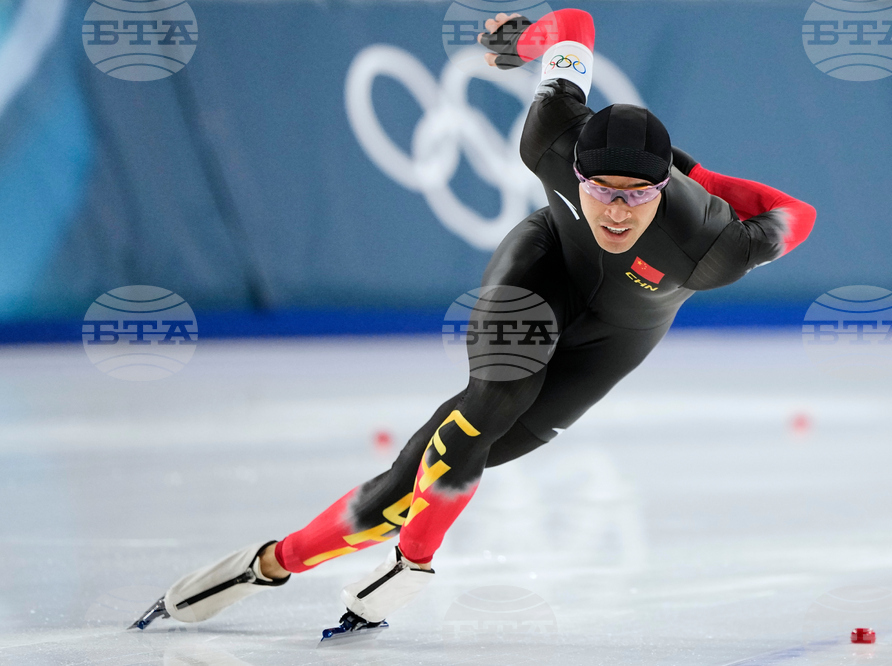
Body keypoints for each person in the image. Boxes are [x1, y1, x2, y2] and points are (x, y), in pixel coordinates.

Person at [130, 8, 816, 640]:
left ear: (662, 192)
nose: (615, 212)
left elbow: (799, 213)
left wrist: (697, 175)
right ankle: (410, 564)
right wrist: (524, 42)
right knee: (493, 397)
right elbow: (574, 24)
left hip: (613, 342)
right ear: (573, 172)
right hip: (542, 266)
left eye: (637, 196)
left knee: (415, 482)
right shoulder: (551, 134)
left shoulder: (712, 246)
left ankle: (269, 564)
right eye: (601, 191)